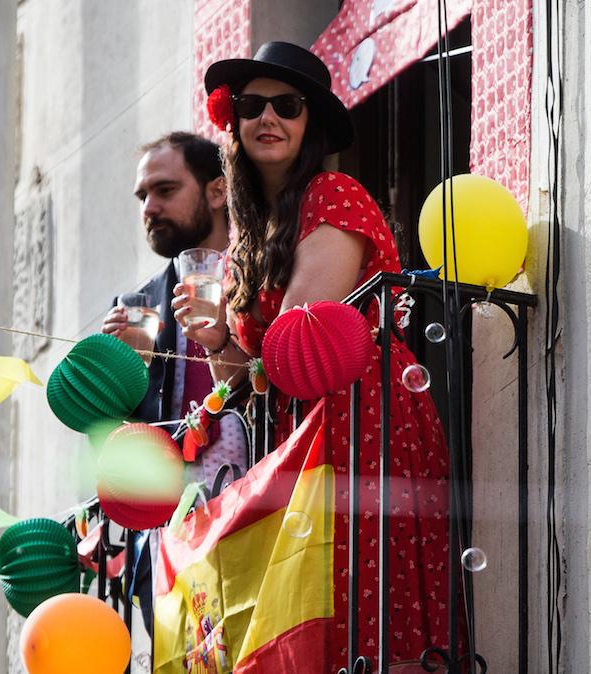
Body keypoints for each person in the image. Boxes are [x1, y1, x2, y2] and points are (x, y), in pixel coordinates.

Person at [171, 42, 459, 671]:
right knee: (314, 613)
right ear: (234, 120)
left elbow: (296, 340)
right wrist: (216, 339)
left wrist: (237, 344)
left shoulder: (334, 194)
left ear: (311, 124)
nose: (267, 118)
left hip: (364, 418)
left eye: (287, 105)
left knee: (368, 609)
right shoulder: (246, 237)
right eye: (252, 105)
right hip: (297, 432)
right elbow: (246, 384)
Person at [101, 131, 248, 638]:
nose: (149, 207)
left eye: (164, 190)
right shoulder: (137, 306)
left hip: (253, 512)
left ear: (216, 191)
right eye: (143, 196)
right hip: (172, 545)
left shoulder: (260, 271)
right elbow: (118, 448)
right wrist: (121, 379)